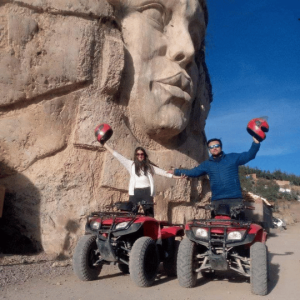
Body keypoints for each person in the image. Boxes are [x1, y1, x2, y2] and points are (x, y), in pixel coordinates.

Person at [168, 136, 261, 215]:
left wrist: (256, 142)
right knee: (217, 229)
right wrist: (175, 171)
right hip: (217, 200)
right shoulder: (207, 164)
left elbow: (250, 155)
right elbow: (193, 172)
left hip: (235, 199)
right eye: (211, 147)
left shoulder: (232, 158)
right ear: (209, 150)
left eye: (216, 146)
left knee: (237, 229)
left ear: (221, 147)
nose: (214, 148)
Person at [103, 142, 182, 217]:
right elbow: (117, 156)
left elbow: (164, 172)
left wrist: (178, 177)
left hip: (146, 192)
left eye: (142, 154)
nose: (140, 156)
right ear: (136, 156)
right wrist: (105, 145)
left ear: (144, 155)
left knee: (149, 215)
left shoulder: (149, 166)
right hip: (135, 192)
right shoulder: (131, 164)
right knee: (131, 215)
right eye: (138, 154)